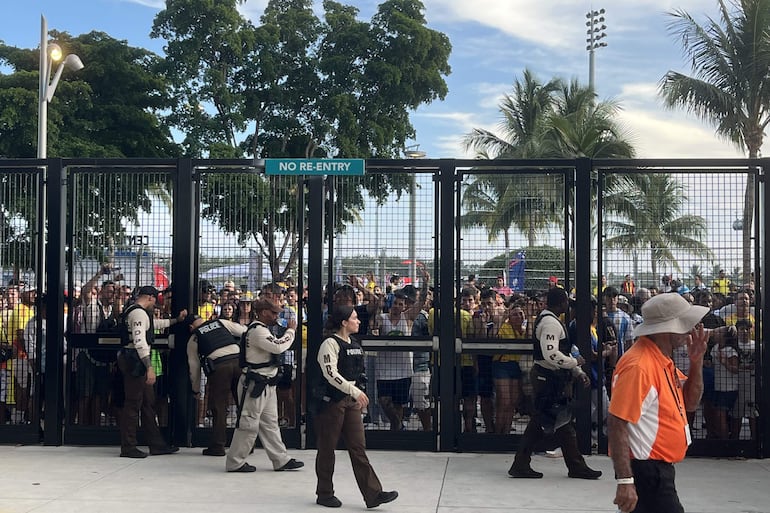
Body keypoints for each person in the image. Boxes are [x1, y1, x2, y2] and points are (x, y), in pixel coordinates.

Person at [608, 293, 709, 513]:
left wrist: (696, 363)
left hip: (656, 471)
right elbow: (617, 422)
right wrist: (625, 481)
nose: (689, 330)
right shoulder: (640, 366)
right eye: (683, 324)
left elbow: (690, 402)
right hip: (648, 472)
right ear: (667, 328)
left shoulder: (659, 360)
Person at [508, 287, 601, 480]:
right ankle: (523, 464)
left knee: (561, 423)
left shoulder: (551, 320)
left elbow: (561, 352)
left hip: (551, 378)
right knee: (548, 422)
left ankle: (574, 465)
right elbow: (551, 354)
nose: (568, 306)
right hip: (547, 379)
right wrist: (575, 364)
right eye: (567, 302)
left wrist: (575, 370)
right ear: (560, 303)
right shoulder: (551, 323)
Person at [314, 304, 398, 509]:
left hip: (351, 401)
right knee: (327, 448)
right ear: (344, 322)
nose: (358, 321)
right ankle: (324, 493)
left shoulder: (354, 343)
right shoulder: (329, 344)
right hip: (331, 401)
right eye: (354, 318)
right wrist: (354, 391)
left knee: (358, 447)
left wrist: (358, 393)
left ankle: (373, 494)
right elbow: (330, 374)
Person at [225, 299, 304, 473]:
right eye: (273, 312)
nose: (277, 316)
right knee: (248, 423)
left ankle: (281, 459)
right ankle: (235, 462)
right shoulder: (258, 331)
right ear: (263, 312)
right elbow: (279, 347)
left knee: (270, 424)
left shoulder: (261, 329)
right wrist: (291, 331)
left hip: (266, 384)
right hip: (255, 384)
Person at [118, 286, 187, 458]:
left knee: (148, 403)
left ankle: (156, 444)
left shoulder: (136, 312)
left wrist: (175, 320)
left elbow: (153, 325)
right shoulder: (139, 314)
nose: (155, 305)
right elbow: (140, 341)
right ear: (150, 297)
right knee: (133, 404)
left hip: (133, 359)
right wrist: (149, 366)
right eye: (155, 300)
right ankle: (128, 446)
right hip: (136, 361)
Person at [186, 314, 246, 456]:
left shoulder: (194, 338)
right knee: (244, 405)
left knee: (219, 407)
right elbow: (244, 331)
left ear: (190, 327)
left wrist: (195, 390)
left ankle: (218, 446)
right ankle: (247, 444)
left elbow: (193, 367)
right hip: (238, 362)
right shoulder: (220, 322)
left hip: (219, 367)